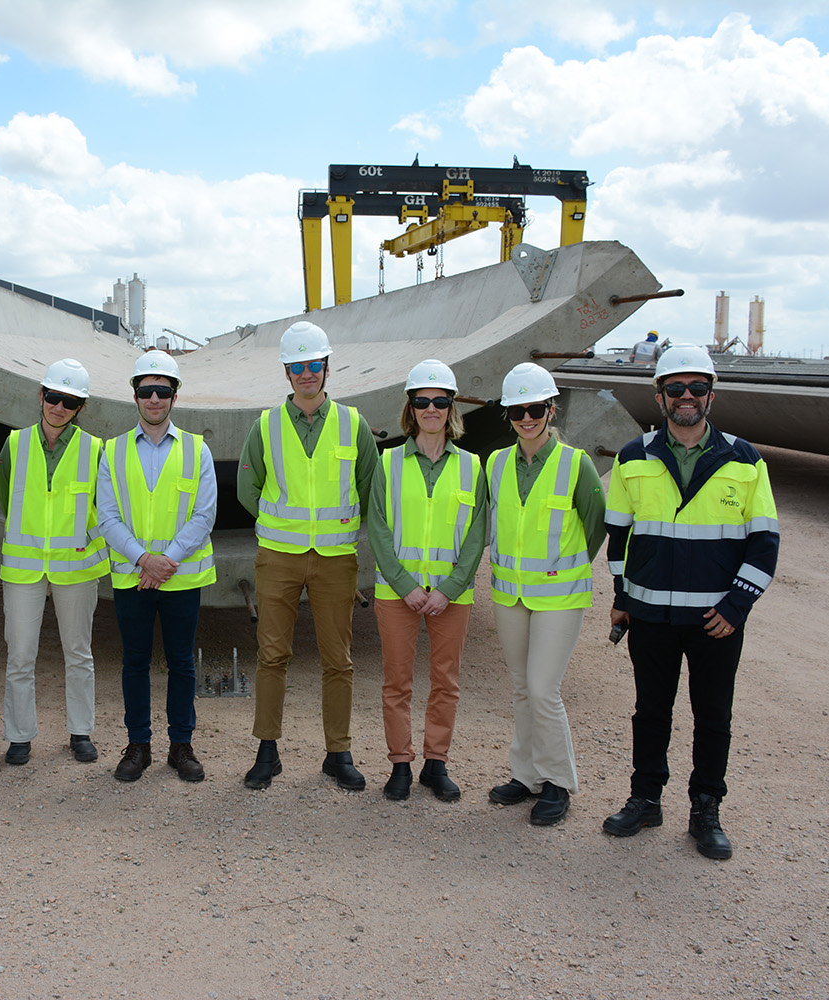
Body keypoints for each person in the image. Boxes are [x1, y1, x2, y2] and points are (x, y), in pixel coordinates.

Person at [600, 344, 778, 860]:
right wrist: (621, 598)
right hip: (651, 614)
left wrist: (736, 607)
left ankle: (705, 809)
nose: (686, 397)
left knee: (712, 715)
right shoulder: (635, 456)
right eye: (675, 388)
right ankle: (645, 798)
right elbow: (620, 537)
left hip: (715, 620)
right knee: (650, 711)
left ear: (711, 395)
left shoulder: (745, 460)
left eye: (696, 388)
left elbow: (764, 543)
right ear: (660, 396)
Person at [237, 321, 378, 791]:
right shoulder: (266, 426)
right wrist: (281, 526)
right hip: (278, 557)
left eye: (313, 365)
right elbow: (247, 489)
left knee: (338, 659)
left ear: (326, 367)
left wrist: (337, 527)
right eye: (296, 367)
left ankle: (338, 753)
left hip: (336, 559)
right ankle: (267, 751)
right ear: (287, 372)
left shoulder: (353, 425)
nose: (306, 374)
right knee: (272, 655)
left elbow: (367, 488)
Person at [485, 363, 606, 826]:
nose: (527, 418)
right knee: (521, 688)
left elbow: (594, 528)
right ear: (508, 414)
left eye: (535, 408)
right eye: (518, 410)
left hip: (558, 596)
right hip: (510, 593)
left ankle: (558, 783)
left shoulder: (577, 466)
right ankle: (527, 775)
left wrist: (563, 566)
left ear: (551, 409)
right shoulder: (496, 464)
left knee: (542, 688)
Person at [368, 360, 487, 803]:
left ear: (452, 406)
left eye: (440, 400)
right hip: (398, 593)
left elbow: (477, 534)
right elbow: (377, 528)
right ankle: (400, 763)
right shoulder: (389, 463)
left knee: (445, 680)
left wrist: (449, 589)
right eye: (422, 401)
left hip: (450, 597)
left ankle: (436, 764)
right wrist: (407, 587)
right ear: (411, 408)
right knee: (396, 681)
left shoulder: (473, 467)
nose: (431, 408)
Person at [96, 350, 217, 783]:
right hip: (134, 576)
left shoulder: (197, 450)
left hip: (180, 577)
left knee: (182, 663)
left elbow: (204, 515)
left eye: (162, 391)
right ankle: (139, 745)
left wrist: (166, 561)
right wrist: (143, 559)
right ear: (134, 395)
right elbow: (106, 516)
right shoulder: (112, 452)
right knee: (135, 662)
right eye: (146, 390)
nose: (154, 399)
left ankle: (181, 746)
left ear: (174, 395)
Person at [0, 359, 108, 766]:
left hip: (76, 570)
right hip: (24, 569)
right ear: (41, 396)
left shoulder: (96, 451)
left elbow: (102, 508)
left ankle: (81, 733)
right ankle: (20, 736)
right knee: (20, 655)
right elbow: (7, 499)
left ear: (81, 407)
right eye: (54, 397)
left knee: (78, 653)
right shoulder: (14, 444)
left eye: (70, 402)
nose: (59, 407)